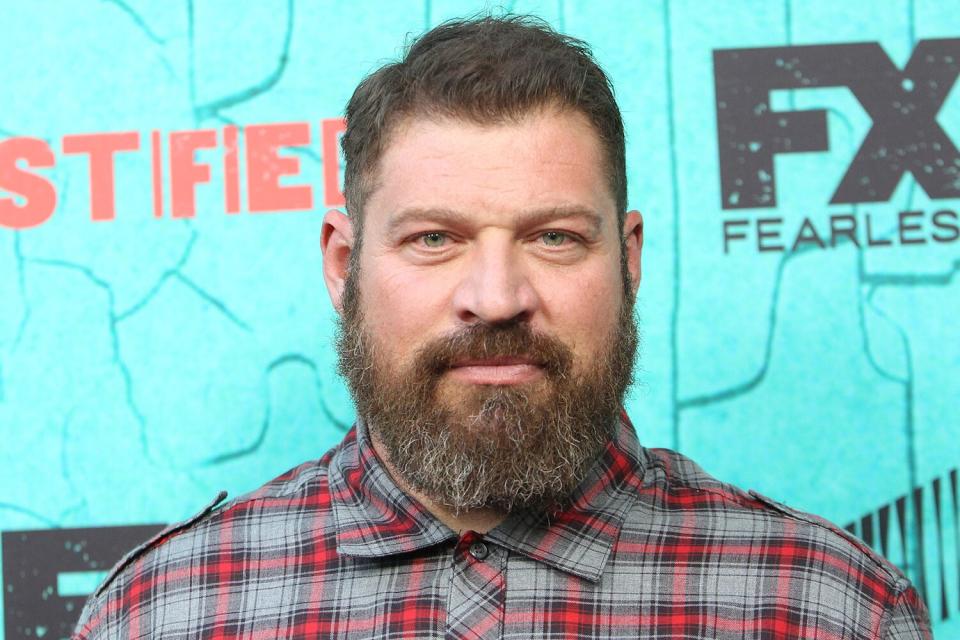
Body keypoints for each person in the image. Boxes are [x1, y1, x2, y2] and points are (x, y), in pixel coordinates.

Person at [73, 15, 931, 640]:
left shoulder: (830, 608)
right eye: (434, 239)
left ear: (629, 261)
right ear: (343, 267)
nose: (495, 297)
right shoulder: (159, 613)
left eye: (554, 237)